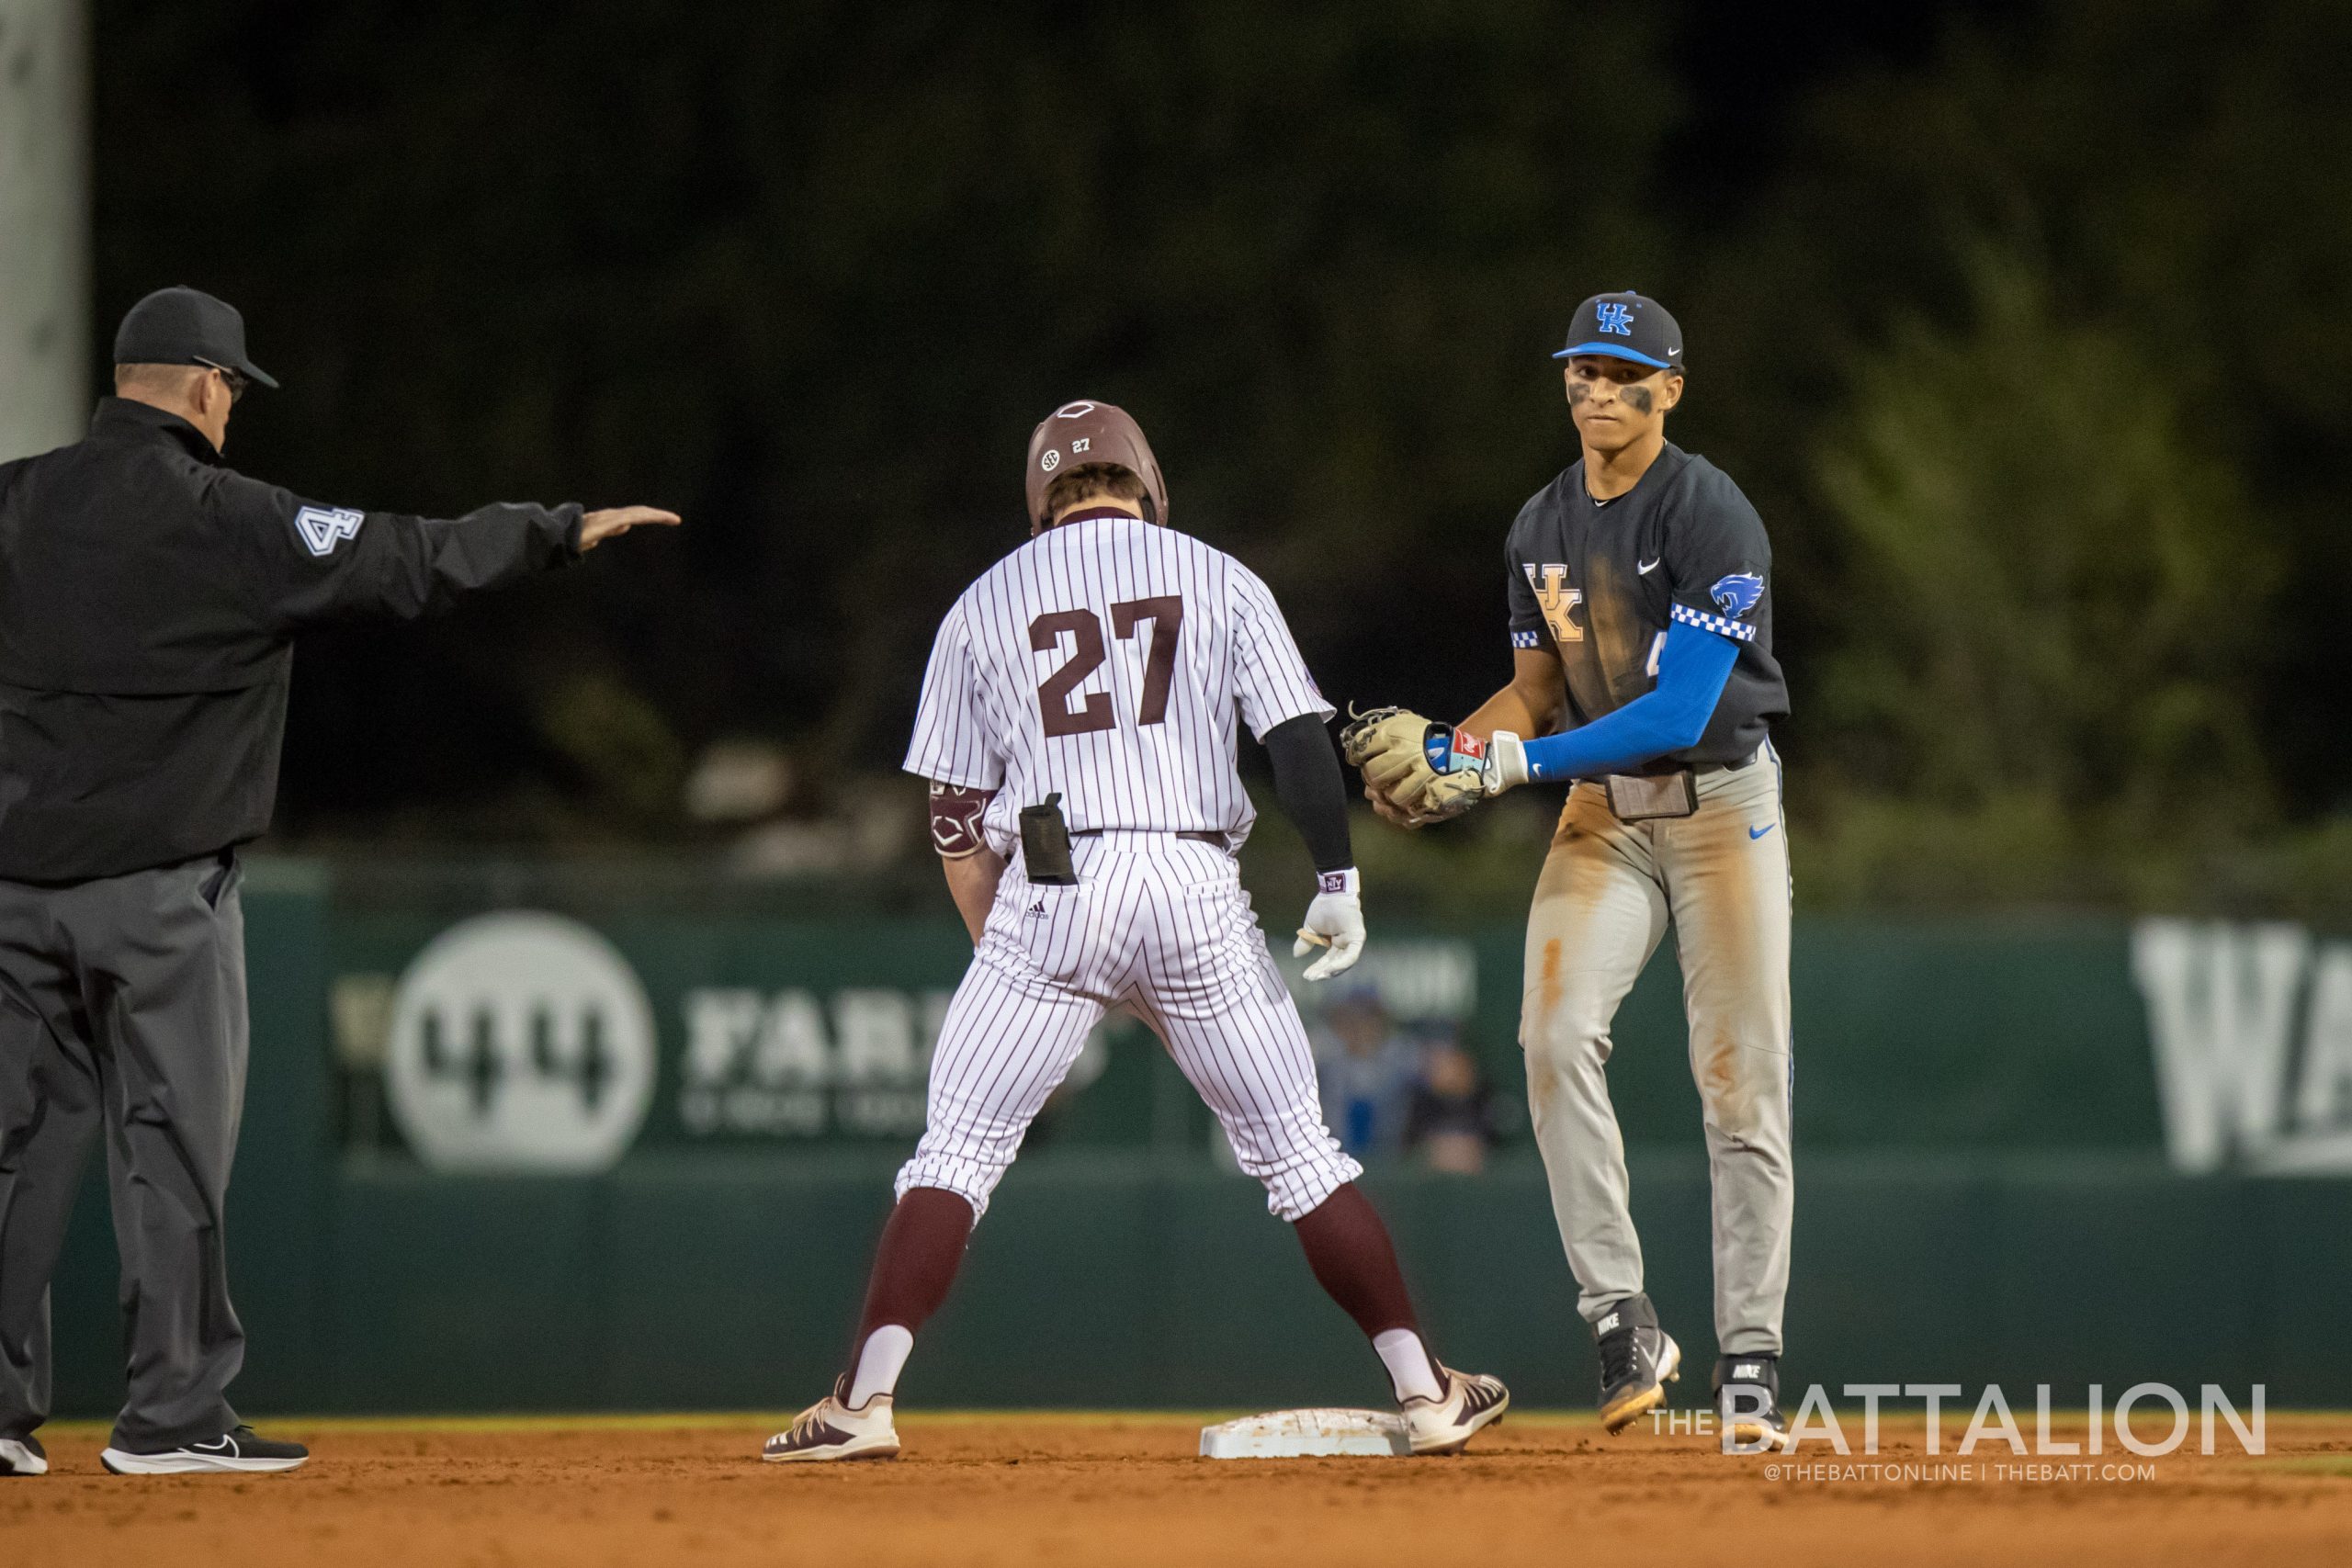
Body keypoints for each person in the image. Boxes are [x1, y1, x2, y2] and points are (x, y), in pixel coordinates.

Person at [0, 287, 678, 1476]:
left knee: (14, 1149)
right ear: (210, 387)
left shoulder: (18, 500)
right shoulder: (231, 517)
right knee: (171, 1144)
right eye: (232, 392)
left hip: (12, 893)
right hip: (159, 894)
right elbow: (407, 557)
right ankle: (169, 1416)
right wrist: (554, 528)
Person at [761, 400, 1507, 1462]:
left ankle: (861, 1402)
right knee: (1299, 1157)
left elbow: (954, 819)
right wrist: (1336, 877)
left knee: (958, 1153)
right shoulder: (1218, 575)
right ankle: (1426, 1390)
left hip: (1055, 876)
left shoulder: (980, 603)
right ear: (1147, 484)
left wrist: (1006, 954)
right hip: (1195, 876)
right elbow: (1297, 739)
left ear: (1040, 498)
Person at [1343, 291, 1795, 1451]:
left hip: (1718, 805)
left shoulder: (1711, 512)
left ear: (1669, 388)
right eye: (1580, 368)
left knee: (1738, 1084)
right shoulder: (1539, 523)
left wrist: (1505, 765)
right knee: (1548, 1039)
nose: (1594, 386)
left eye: (1618, 369)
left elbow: (1679, 709)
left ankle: (1749, 1354)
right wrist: (1447, 757)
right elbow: (1534, 694)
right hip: (1603, 813)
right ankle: (1623, 1317)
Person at [1313, 987, 1421, 1158]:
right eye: (1350, 1019)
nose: (1360, 1027)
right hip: (1332, 1159)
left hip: (1392, 1158)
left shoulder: (1402, 1057)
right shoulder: (1324, 1059)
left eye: (1369, 1018)